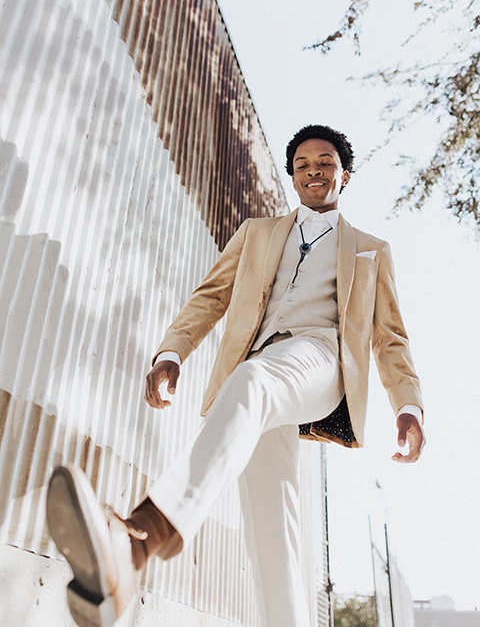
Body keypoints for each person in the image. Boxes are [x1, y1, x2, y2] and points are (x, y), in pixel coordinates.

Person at [47, 124, 425, 627]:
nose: (314, 169)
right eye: (303, 164)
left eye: (326, 162)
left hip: (318, 361)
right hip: (261, 372)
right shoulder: (257, 233)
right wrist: (173, 352)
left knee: (250, 382)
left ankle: (139, 541)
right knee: (273, 536)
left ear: (345, 175)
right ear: (293, 178)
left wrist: (408, 404)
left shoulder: (370, 250)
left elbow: (390, 336)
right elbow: (211, 296)